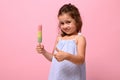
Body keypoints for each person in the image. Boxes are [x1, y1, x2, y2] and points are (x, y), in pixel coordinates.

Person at [36, 3, 86, 80]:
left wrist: (67, 56)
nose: (65, 26)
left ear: (77, 21)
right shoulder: (59, 38)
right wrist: (43, 51)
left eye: (68, 22)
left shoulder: (79, 38)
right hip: (57, 76)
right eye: (62, 23)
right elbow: (53, 58)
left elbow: (81, 60)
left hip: (72, 76)